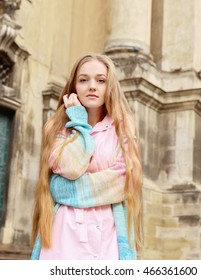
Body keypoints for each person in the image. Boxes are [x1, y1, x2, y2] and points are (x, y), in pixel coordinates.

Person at [30, 53, 143, 260]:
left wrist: (64, 188)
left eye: (100, 80)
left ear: (109, 86)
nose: (92, 86)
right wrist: (79, 124)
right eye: (83, 80)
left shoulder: (122, 126)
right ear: (74, 87)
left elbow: (124, 181)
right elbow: (72, 167)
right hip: (64, 231)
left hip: (108, 231)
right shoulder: (57, 127)